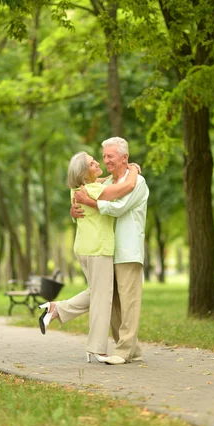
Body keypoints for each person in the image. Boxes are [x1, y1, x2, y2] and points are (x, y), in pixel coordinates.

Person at [38, 151, 139, 364]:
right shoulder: (94, 190)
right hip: (98, 249)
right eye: (93, 163)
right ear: (85, 174)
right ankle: (97, 349)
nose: (98, 164)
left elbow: (105, 181)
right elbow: (125, 188)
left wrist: (103, 177)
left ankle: (56, 309)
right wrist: (134, 170)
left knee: (98, 292)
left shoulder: (79, 189)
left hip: (85, 248)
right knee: (102, 299)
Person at [74, 137, 149, 365]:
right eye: (103, 156)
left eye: (110, 156)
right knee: (113, 303)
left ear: (124, 158)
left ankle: (124, 350)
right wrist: (75, 208)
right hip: (109, 250)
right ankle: (130, 349)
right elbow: (89, 195)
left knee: (129, 302)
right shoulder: (107, 184)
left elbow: (119, 208)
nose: (106, 161)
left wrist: (90, 202)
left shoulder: (138, 182)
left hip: (128, 250)